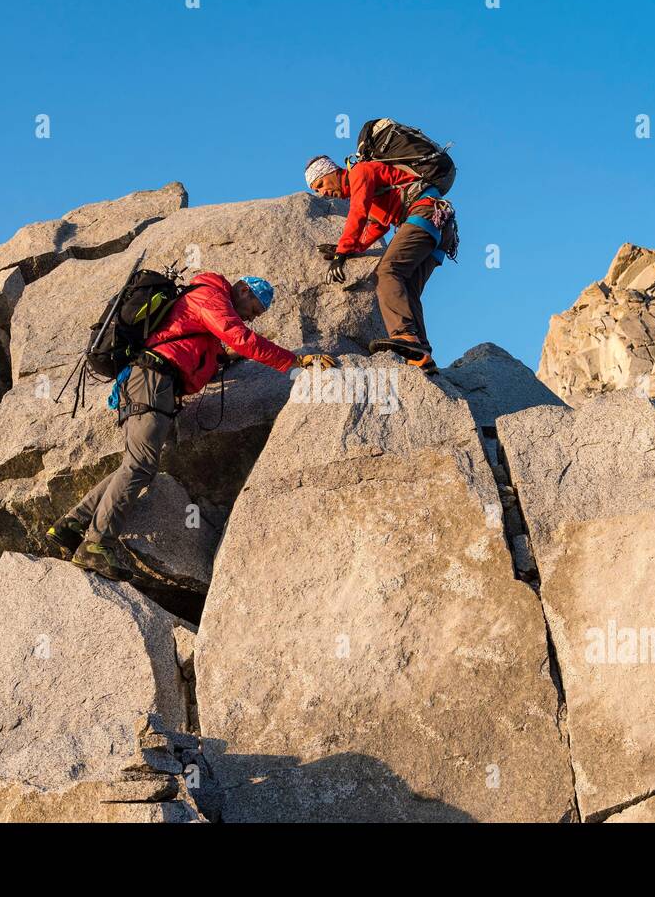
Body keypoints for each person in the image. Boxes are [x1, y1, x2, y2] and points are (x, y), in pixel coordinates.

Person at [46, 272, 336, 580]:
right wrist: (294, 361)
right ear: (242, 290)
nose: (250, 318)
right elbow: (240, 337)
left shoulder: (206, 310)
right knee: (141, 467)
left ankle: (70, 525)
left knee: (135, 465)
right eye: (253, 309)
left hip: (153, 385)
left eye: (255, 316)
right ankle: (96, 543)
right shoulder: (210, 296)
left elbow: (209, 353)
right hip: (152, 381)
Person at [305, 153, 456, 374]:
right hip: (441, 227)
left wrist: (341, 253)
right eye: (316, 191)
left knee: (386, 272)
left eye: (320, 184)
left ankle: (405, 337)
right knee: (409, 288)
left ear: (332, 172)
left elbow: (358, 211)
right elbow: (378, 225)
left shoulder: (360, 172)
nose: (322, 192)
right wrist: (346, 249)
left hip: (425, 214)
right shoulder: (370, 187)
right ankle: (422, 357)